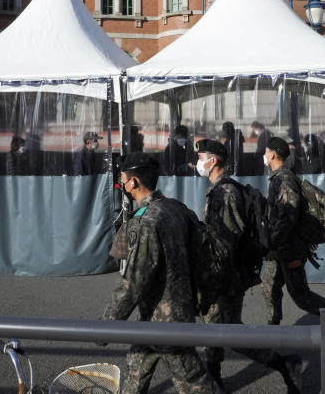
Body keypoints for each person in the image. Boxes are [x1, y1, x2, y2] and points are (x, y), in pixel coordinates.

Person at [103, 152, 217, 394]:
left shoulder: (146, 222)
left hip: (166, 323)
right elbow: (202, 254)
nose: (122, 185)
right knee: (135, 372)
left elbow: (132, 283)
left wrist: (106, 326)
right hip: (155, 318)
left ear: (133, 183)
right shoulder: (176, 208)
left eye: (123, 179)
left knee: (195, 382)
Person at [195, 139, 302, 393]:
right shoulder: (218, 190)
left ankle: (283, 364)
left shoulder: (226, 193)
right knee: (216, 328)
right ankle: (215, 379)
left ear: (214, 161)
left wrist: (208, 272)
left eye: (202, 157)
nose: (199, 162)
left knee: (229, 332)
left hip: (227, 277)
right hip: (225, 275)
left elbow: (226, 242)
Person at [262, 136, 325, 326]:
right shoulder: (278, 178)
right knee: (269, 285)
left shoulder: (285, 181)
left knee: (301, 295)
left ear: (272, 155)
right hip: (282, 248)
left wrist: (272, 244)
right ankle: (272, 328)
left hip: (290, 249)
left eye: (266, 151)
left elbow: (288, 217)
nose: (264, 154)